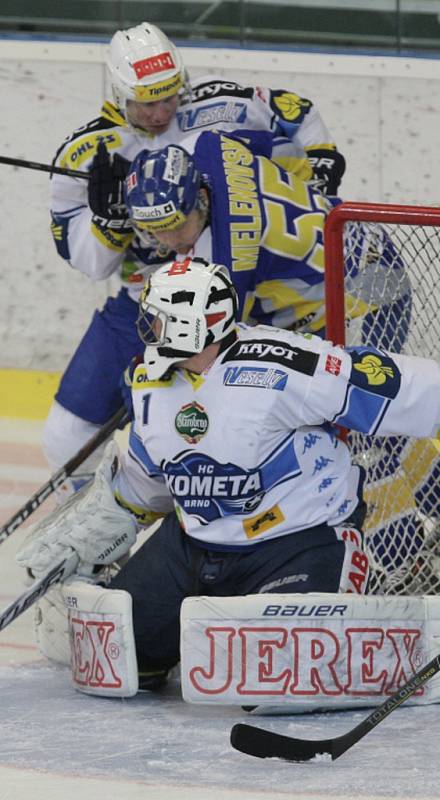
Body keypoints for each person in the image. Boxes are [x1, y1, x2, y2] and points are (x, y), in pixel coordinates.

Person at [16, 259, 440, 692]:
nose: (148, 328)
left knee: (277, 680)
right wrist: (110, 514)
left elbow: (410, 390)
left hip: (297, 544)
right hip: (191, 547)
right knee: (117, 664)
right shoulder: (149, 380)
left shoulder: (290, 366)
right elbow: (151, 479)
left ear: (188, 325)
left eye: (157, 319)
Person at [45, 20, 345, 495]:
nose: (163, 111)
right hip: (145, 303)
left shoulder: (223, 105)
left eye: (170, 95)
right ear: (119, 91)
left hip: (241, 298)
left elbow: (296, 113)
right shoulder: (84, 155)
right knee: (66, 436)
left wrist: (321, 167)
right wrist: (110, 221)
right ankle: (103, 560)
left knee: (200, 442)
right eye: (148, 102)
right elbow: (92, 264)